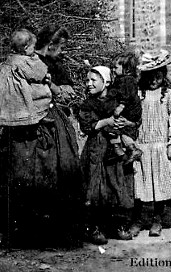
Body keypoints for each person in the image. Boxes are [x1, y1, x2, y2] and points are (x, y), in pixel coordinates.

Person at [0, 27, 82, 248]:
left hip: (30, 122)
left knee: (46, 174)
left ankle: (46, 232)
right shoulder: (33, 63)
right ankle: (29, 233)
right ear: (51, 45)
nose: (63, 52)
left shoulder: (10, 64)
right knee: (39, 174)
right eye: (61, 47)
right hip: (35, 125)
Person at [78, 66, 135, 244]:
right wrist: (106, 121)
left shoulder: (117, 102)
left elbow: (131, 119)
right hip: (96, 149)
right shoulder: (88, 104)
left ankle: (118, 225)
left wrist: (124, 125)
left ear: (106, 82)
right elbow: (87, 127)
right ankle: (94, 228)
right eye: (87, 80)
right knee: (95, 187)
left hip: (114, 149)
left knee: (116, 184)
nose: (89, 84)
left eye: (93, 80)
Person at [130, 50, 171, 238]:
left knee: (159, 186)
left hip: (161, 146)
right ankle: (137, 220)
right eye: (150, 76)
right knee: (141, 185)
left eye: (158, 75)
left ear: (163, 75)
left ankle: (157, 220)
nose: (154, 80)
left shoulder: (169, 95)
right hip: (142, 147)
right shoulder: (138, 95)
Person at [0, 29, 51, 127]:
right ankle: (39, 114)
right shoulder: (25, 62)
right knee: (39, 88)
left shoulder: (8, 60)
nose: (34, 50)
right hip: (22, 97)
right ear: (26, 48)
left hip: (9, 99)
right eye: (33, 47)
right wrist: (36, 59)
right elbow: (39, 74)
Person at [106, 51, 143, 164]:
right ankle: (122, 151)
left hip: (130, 110)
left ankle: (130, 150)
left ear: (126, 69)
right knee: (120, 131)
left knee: (120, 130)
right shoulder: (122, 80)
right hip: (130, 109)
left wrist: (120, 106)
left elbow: (127, 95)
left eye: (115, 67)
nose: (113, 70)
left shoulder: (127, 80)